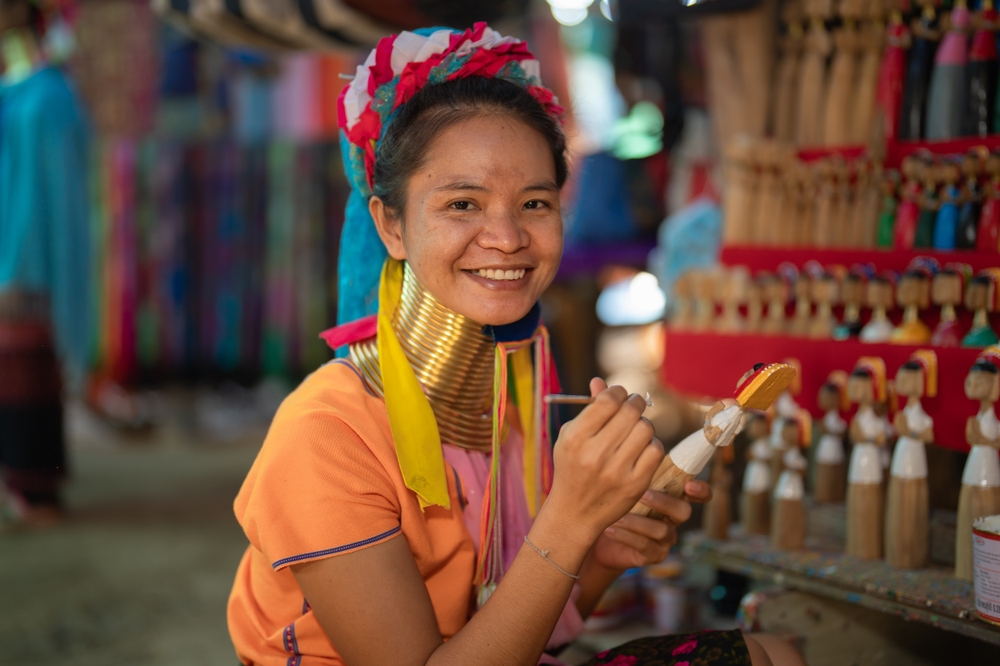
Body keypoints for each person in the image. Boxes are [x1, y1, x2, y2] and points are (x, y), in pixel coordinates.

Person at [227, 24, 805, 666]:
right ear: (390, 224)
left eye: (534, 202)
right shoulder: (325, 434)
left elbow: (510, 622)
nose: (506, 237)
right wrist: (569, 522)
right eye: (463, 204)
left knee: (773, 657)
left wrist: (602, 549)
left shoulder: (510, 393)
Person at [0, 0, 90, 525]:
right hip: (13, 256)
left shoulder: (50, 95)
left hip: (32, 263)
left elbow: (58, 201)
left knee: (27, 361)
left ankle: (36, 487)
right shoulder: (21, 93)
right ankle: (24, 481)